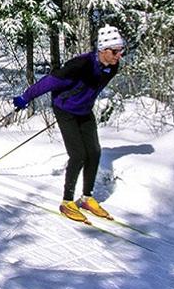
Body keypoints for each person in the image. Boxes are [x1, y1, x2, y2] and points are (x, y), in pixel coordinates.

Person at [12, 25, 125, 223]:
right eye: (115, 51)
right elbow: (49, 82)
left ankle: (87, 198)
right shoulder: (79, 65)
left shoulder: (112, 67)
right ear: (103, 49)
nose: (119, 56)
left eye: (121, 51)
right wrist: (25, 97)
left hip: (84, 110)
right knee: (78, 154)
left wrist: (82, 100)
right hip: (64, 109)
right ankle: (67, 202)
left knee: (94, 152)